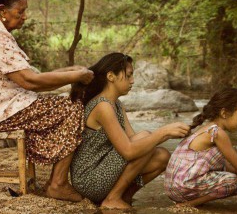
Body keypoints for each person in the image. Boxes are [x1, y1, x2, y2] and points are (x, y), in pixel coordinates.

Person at [0, 0, 94, 202]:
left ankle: (56, 176)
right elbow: (29, 81)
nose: (24, 17)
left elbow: (33, 77)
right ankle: (58, 183)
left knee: (60, 103)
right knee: (72, 105)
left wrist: (69, 71)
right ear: (2, 10)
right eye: (20, 12)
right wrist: (75, 77)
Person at [70, 52, 190, 209]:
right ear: (111, 76)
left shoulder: (116, 104)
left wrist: (164, 135)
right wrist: (164, 132)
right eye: (128, 75)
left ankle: (124, 196)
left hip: (104, 170)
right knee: (147, 137)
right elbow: (128, 151)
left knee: (162, 156)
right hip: (89, 179)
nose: (132, 81)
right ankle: (112, 198)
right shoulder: (102, 106)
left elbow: (134, 139)